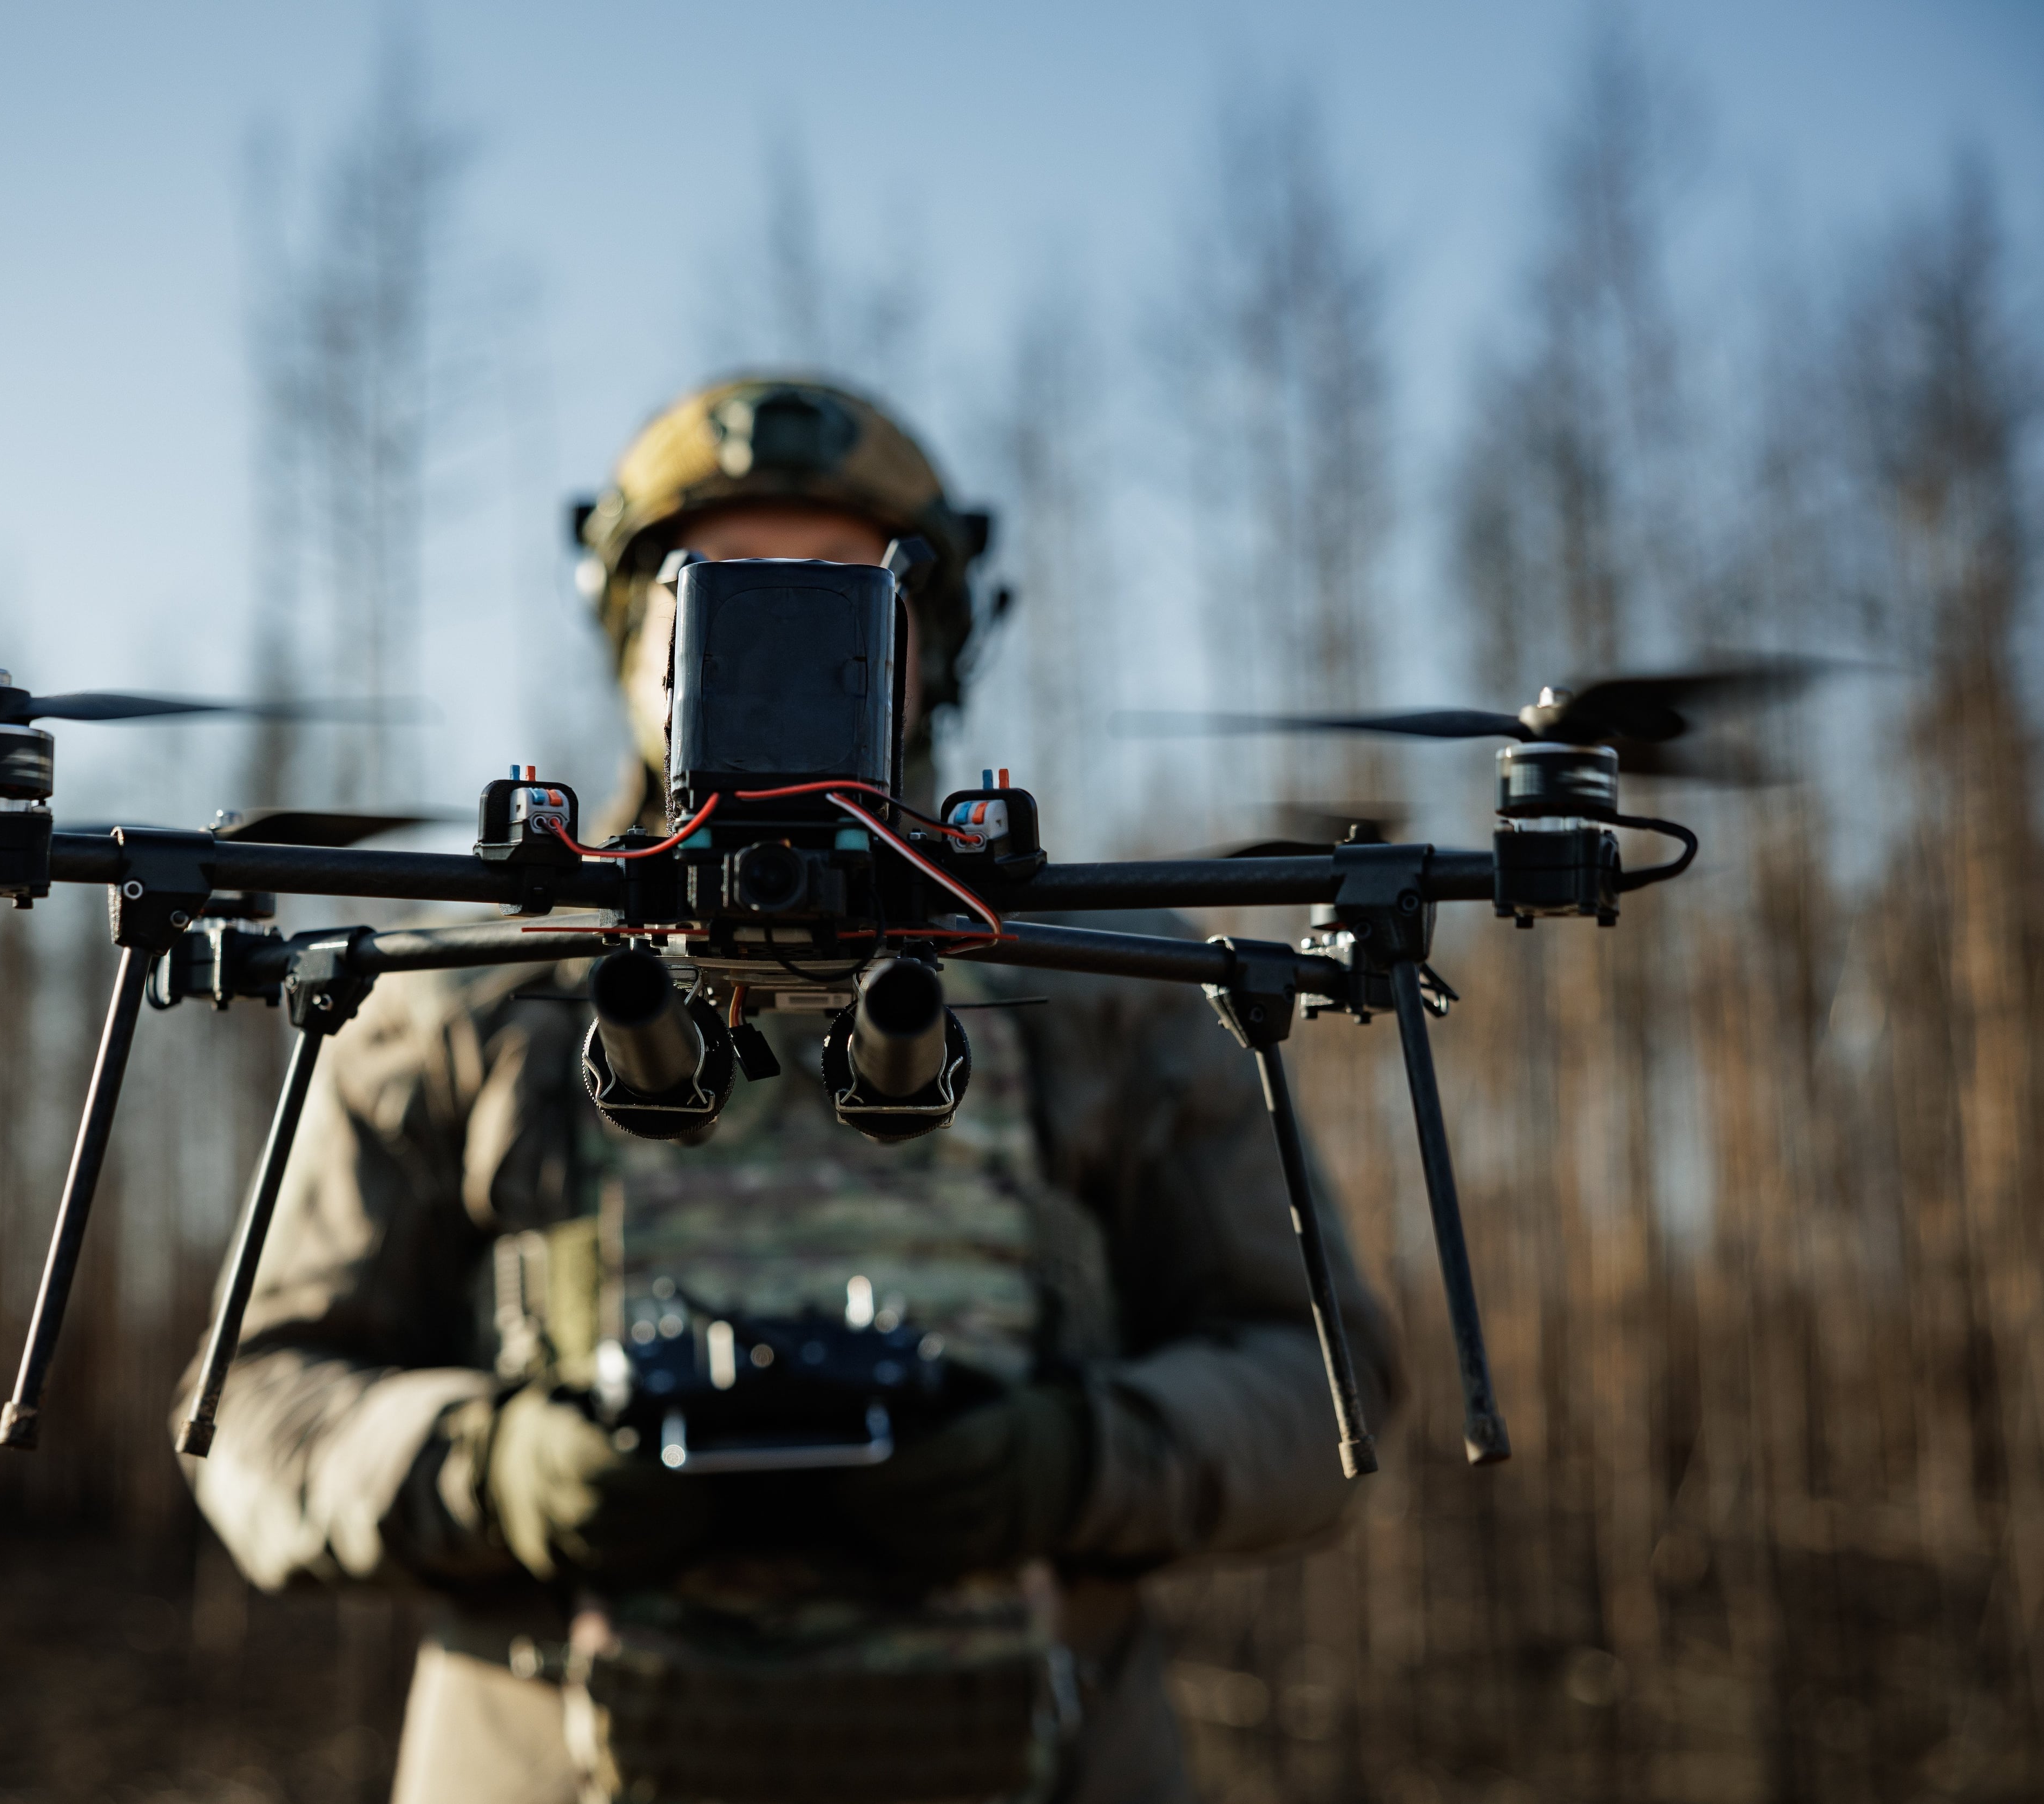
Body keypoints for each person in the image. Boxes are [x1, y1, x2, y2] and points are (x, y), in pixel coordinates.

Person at [178, 376, 1399, 1804]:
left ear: (929, 646)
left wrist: (1068, 1463)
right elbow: (254, 1412)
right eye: (717, 590)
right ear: (634, 641)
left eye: (841, 590)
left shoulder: (1110, 975)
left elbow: (1323, 1384)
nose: (782, 631)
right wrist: (500, 1471)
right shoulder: (468, 984)